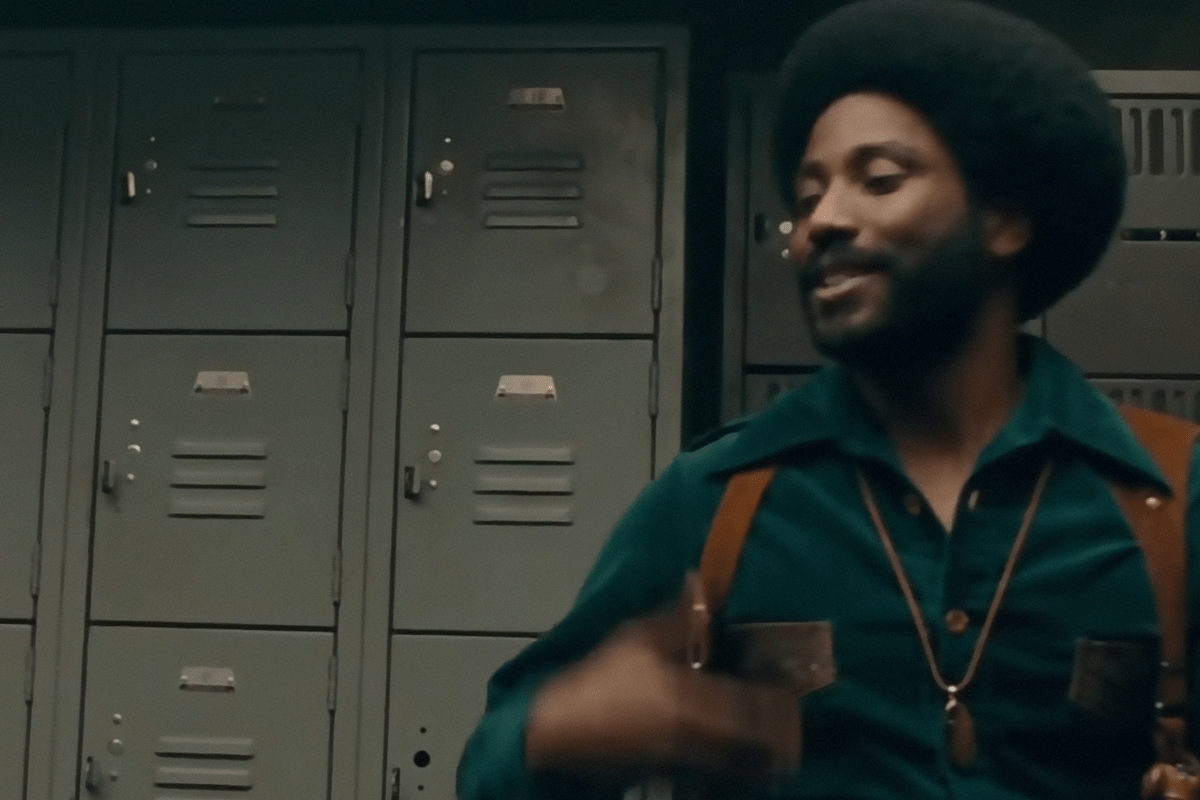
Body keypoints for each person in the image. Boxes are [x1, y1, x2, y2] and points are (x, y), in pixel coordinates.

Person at [457, 1, 1200, 798]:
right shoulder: (715, 501)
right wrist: (555, 734)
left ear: (1005, 220)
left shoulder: (1172, 498)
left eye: (879, 180)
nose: (821, 223)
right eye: (808, 197)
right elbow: (493, 765)